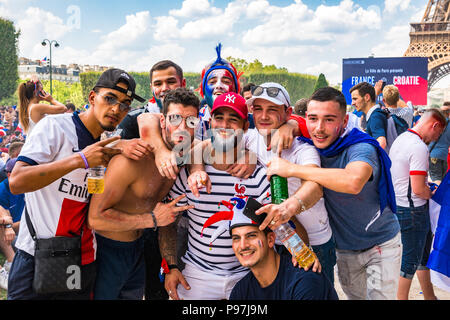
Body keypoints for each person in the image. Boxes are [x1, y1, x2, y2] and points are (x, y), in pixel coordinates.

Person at [7, 68, 144, 300]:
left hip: (82, 257)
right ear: (92, 98)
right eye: (110, 98)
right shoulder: (55, 127)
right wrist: (79, 160)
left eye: (125, 104)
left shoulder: (106, 144)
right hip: (36, 254)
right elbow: (17, 181)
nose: (116, 109)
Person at [266, 87, 402, 300]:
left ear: (345, 120)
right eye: (313, 119)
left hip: (380, 244)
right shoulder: (310, 143)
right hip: (345, 249)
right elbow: (296, 125)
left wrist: (291, 169)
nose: (319, 128)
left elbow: (353, 181)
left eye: (329, 120)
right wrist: (290, 125)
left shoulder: (361, 147)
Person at [161, 92, 276, 300]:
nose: (224, 125)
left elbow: (279, 225)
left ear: (244, 127)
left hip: (248, 274)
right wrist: (171, 266)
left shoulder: (258, 176)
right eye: (219, 118)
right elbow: (168, 221)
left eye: (233, 119)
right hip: (197, 274)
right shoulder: (189, 173)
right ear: (210, 122)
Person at [88, 88, 199, 300]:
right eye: (175, 119)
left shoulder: (185, 155)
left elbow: (213, 146)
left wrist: (199, 169)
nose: (183, 128)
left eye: (191, 121)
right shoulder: (132, 159)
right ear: (163, 122)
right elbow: (95, 218)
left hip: (137, 250)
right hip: (107, 251)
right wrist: (151, 219)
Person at [243, 82, 335, 284]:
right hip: (276, 240)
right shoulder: (250, 140)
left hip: (314, 241)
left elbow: (314, 185)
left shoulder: (303, 149)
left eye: (272, 110)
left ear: (287, 113)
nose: (263, 116)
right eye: (258, 109)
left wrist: (289, 207)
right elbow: (210, 143)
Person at [389, 108, 447, 300]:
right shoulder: (419, 147)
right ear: (435, 125)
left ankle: (430, 296)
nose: (435, 139)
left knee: (421, 257)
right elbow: (418, 189)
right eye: (437, 134)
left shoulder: (402, 138)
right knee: (410, 262)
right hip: (413, 209)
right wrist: (432, 191)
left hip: (402, 205)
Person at [228, 202, 338, 300]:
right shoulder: (240, 291)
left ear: (270, 239)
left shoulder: (305, 281)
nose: (243, 246)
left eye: (251, 236)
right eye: (236, 238)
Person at [0, 158, 25, 290]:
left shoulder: (29, 186)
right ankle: (7, 268)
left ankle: (12, 263)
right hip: (13, 234)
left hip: (24, 233)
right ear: (9, 175)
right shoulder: (3, 189)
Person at [350, 81, 388, 150]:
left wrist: (364, 155)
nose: (352, 103)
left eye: (355, 99)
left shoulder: (375, 116)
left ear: (367, 97)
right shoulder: (374, 114)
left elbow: (382, 143)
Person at [429, 102, 450, 184]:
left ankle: (438, 196)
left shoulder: (436, 123)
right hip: (444, 155)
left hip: (433, 154)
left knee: (436, 178)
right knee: (443, 178)